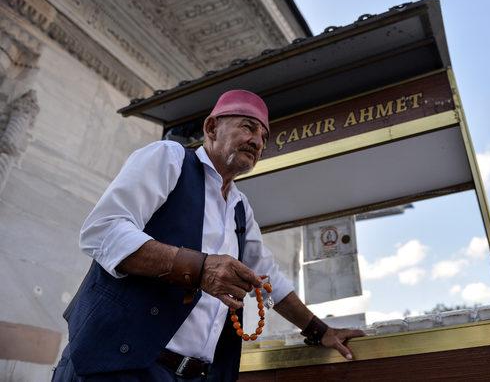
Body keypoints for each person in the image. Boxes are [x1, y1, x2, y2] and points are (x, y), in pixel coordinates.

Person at [52, 90, 365, 381]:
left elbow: (270, 281)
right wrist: (198, 268)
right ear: (212, 128)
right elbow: (103, 230)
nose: (258, 141)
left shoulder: (241, 207)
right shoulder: (170, 158)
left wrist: (319, 330)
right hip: (117, 367)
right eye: (248, 127)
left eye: (263, 136)